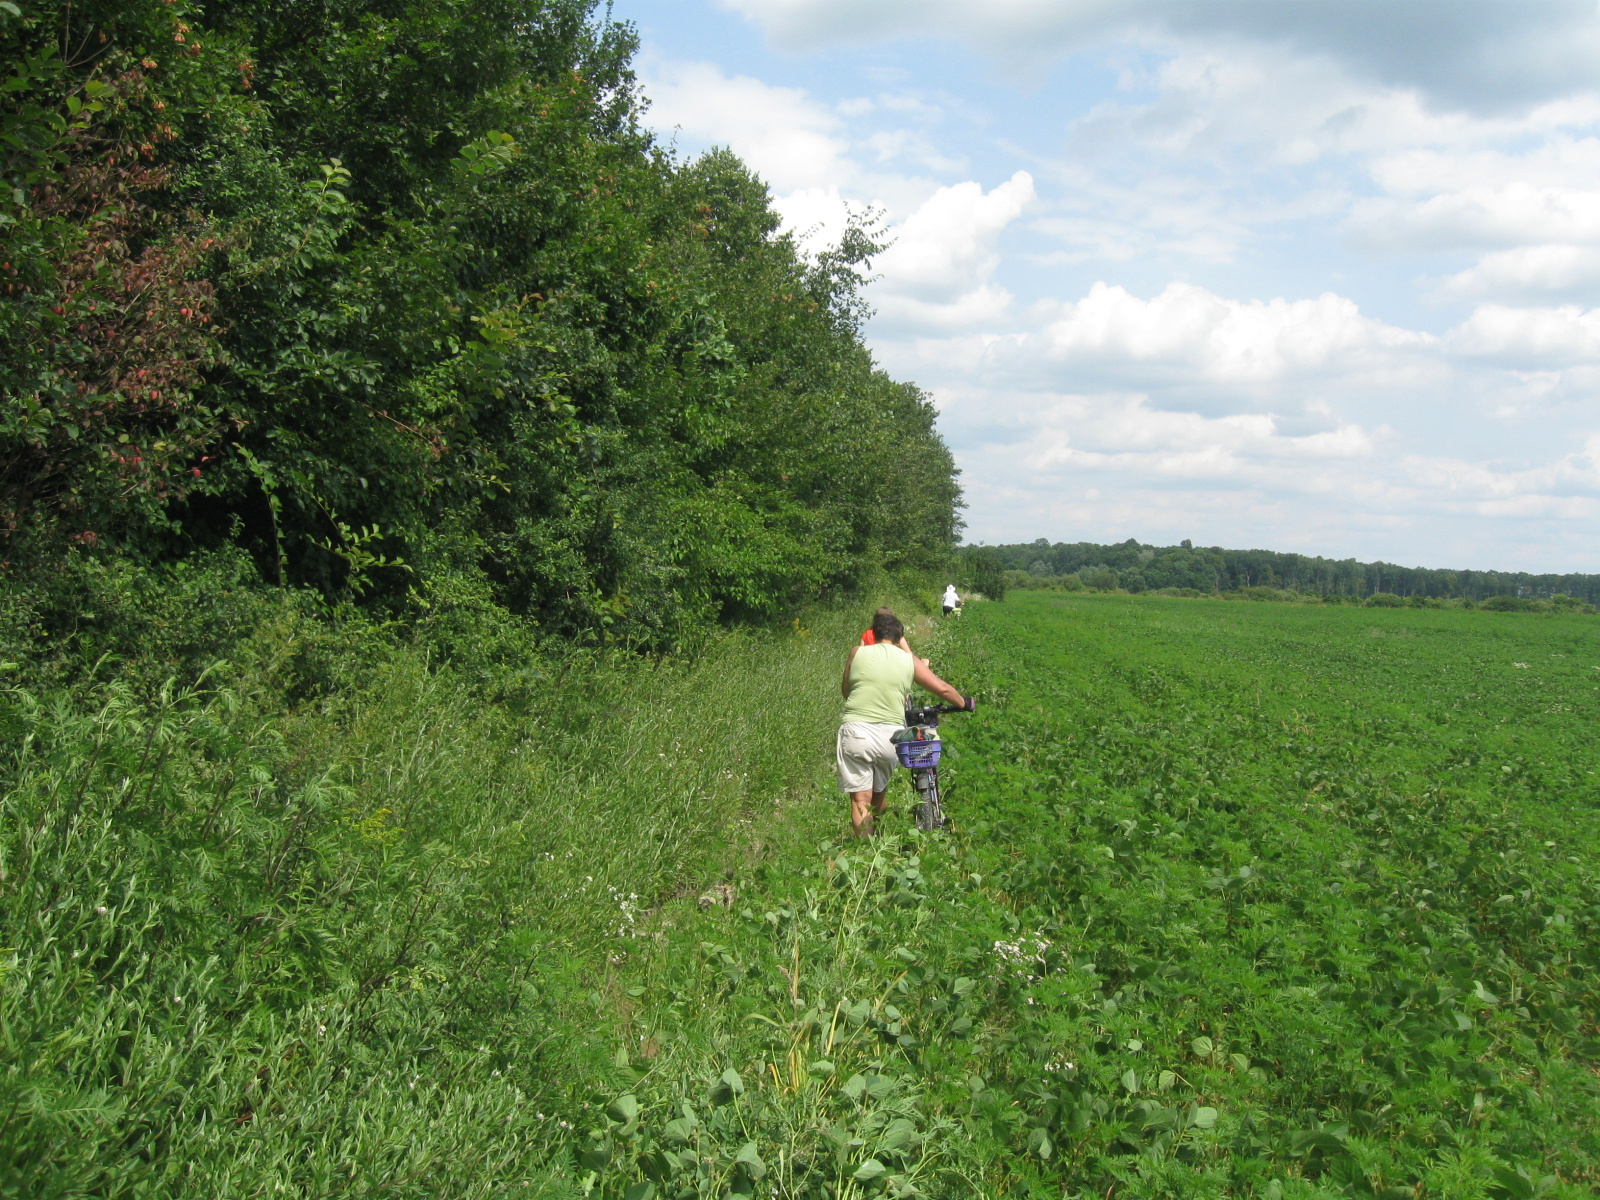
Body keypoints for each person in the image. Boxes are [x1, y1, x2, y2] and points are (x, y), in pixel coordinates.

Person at [837, 609, 970, 837]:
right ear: (900, 639)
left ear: (874, 634)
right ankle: (879, 837)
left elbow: (846, 692)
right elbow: (942, 688)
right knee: (878, 794)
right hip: (889, 736)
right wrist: (963, 702)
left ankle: (865, 851)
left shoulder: (856, 652)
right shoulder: (909, 660)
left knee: (860, 798)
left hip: (856, 732)